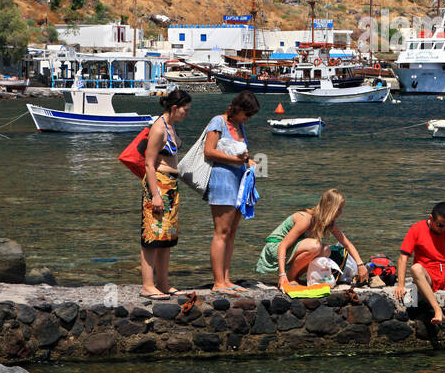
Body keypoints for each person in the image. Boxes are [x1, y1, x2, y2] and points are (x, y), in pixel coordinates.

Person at [202, 91, 259, 294]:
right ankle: (218, 282)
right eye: (247, 114)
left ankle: (227, 279)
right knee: (221, 231)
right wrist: (235, 161)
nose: (248, 119)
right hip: (222, 181)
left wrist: (247, 161)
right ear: (237, 109)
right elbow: (208, 151)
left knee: (232, 232)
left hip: (239, 182)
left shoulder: (239, 125)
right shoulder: (218, 121)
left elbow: (239, 154)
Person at [254, 189, 370, 287]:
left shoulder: (328, 223)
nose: (341, 213)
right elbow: (283, 245)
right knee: (315, 246)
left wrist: (360, 265)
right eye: (339, 209)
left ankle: (294, 277)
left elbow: (347, 244)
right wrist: (281, 275)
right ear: (330, 207)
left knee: (326, 250)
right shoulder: (305, 219)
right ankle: (290, 278)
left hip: (290, 250)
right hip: (276, 248)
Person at [140, 88, 192, 298]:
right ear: (174, 107)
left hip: (171, 185)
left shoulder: (170, 126)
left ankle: (162, 282)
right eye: (185, 110)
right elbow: (149, 164)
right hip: (158, 184)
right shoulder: (159, 129)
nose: (187, 114)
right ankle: (147, 285)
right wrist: (155, 194)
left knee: (166, 237)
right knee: (152, 235)